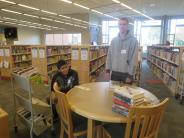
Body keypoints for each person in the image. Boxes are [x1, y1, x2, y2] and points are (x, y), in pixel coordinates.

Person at [106, 18, 138, 84]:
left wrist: (130, 75)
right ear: (118, 26)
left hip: (126, 73)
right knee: (114, 92)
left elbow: (134, 59)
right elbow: (109, 56)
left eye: (124, 24)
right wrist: (107, 70)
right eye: (120, 24)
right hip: (114, 73)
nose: (122, 26)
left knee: (126, 93)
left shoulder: (133, 41)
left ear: (127, 26)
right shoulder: (113, 40)